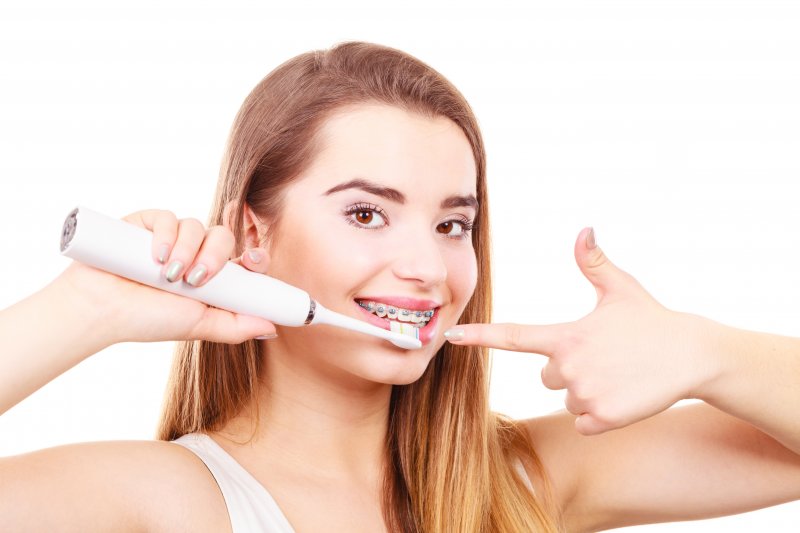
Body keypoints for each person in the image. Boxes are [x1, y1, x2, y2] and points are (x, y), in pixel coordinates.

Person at [0, 41, 798, 532]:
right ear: (254, 235)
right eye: (366, 213)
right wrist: (85, 308)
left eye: (453, 224)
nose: (427, 266)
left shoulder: (527, 478)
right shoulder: (165, 498)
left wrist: (706, 352)